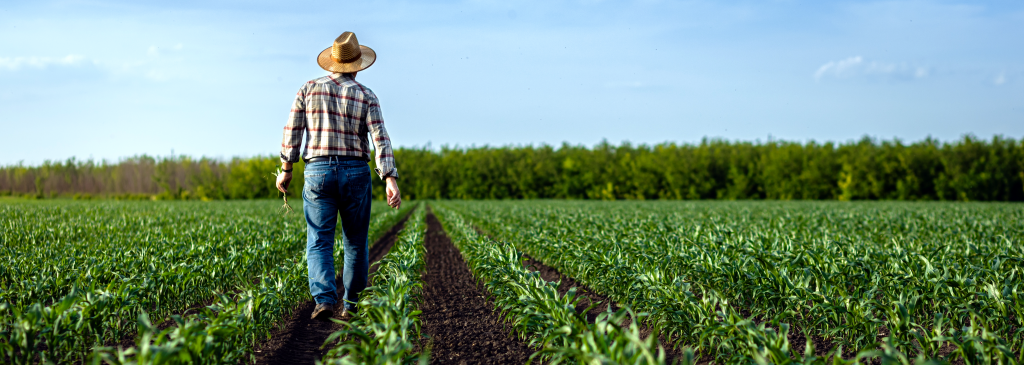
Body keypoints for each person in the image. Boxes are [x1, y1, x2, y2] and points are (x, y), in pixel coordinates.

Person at [275, 31, 401, 321]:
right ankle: (352, 305)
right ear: (357, 65)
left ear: (331, 62)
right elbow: (380, 138)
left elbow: (291, 131)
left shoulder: (307, 89)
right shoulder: (366, 95)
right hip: (356, 171)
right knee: (355, 241)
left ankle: (324, 301)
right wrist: (389, 177)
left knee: (319, 239)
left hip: (317, 171)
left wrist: (286, 169)